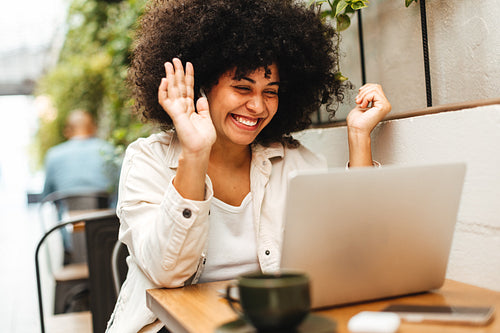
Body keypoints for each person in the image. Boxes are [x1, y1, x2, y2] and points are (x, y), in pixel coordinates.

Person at [107, 0, 391, 332]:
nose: (257, 106)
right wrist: (195, 155)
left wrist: (358, 137)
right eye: (242, 87)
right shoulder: (148, 161)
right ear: (203, 86)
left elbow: (353, 250)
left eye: (270, 91)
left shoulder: (295, 162)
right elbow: (167, 273)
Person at [42, 109, 117, 255]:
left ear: (68, 130)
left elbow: (47, 196)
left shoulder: (54, 155)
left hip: (69, 240)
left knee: (60, 211)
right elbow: (120, 191)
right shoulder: (109, 151)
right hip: (107, 239)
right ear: (93, 127)